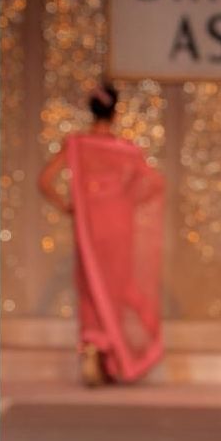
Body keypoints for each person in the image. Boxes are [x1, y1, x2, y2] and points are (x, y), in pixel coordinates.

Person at [37, 80, 165, 386]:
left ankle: (94, 347)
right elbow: (155, 184)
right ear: (115, 112)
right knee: (115, 286)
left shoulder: (77, 144)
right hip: (119, 223)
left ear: (92, 110)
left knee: (91, 285)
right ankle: (109, 354)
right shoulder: (126, 150)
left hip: (89, 224)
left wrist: (68, 206)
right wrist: (127, 200)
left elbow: (45, 180)